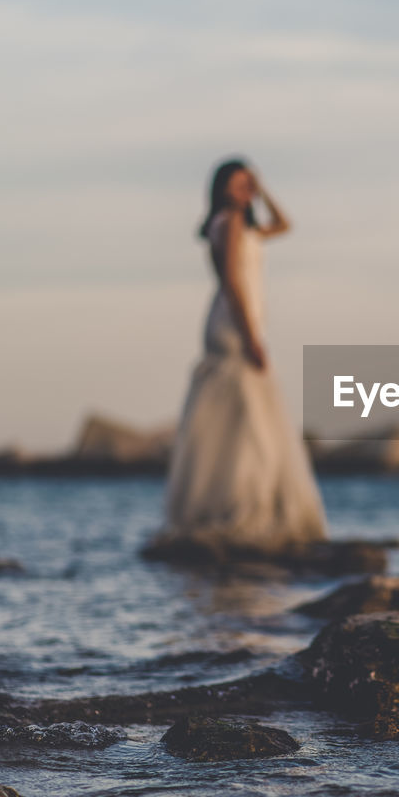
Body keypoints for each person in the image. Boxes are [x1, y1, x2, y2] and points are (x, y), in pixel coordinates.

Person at [148, 158, 328, 561]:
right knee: (248, 417)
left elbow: (285, 224)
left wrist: (262, 191)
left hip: (241, 319)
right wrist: (250, 337)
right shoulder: (229, 222)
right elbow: (232, 280)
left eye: (249, 183)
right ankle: (244, 505)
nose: (244, 189)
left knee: (243, 416)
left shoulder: (246, 225)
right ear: (222, 189)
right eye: (238, 183)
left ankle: (237, 501)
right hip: (234, 322)